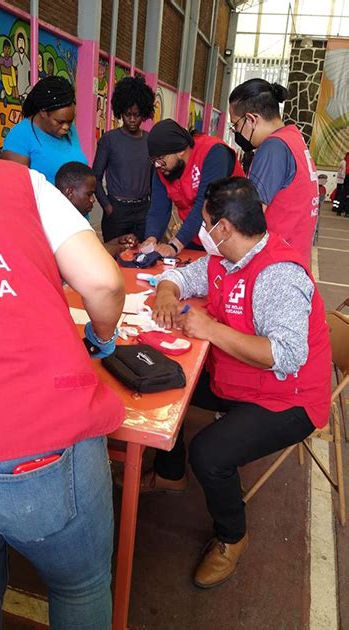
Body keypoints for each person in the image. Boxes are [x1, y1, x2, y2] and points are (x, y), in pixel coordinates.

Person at [136, 177, 331, 589]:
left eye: (205, 224)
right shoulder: (225, 260)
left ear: (223, 229)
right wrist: (168, 293)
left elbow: (286, 355)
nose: (200, 231)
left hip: (288, 399)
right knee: (170, 381)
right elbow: (181, 277)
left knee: (210, 454)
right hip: (239, 378)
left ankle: (231, 537)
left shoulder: (278, 274)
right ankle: (171, 473)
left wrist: (209, 328)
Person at [0, 155, 125, 629]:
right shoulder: (15, 183)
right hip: (38, 438)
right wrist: (102, 339)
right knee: (80, 585)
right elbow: (103, 281)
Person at [229, 78, 319, 266]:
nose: (236, 132)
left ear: (252, 119)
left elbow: (250, 214)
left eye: (236, 125)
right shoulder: (294, 137)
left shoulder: (273, 147)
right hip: (294, 257)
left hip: (275, 263)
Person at [140, 118, 244, 257]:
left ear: (180, 150)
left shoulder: (214, 153)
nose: (157, 165)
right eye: (153, 160)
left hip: (230, 238)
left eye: (160, 158)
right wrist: (151, 239)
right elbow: (158, 209)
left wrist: (175, 245)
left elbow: (206, 204)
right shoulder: (163, 168)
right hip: (194, 236)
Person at [92, 75, 155, 243]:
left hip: (143, 211)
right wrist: (108, 207)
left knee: (142, 257)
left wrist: (152, 207)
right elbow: (95, 177)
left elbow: (156, 179)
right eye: (128, 115)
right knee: (114, 259)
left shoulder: (151, 140)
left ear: (144, 113)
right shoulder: (109, 140)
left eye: (137, 115)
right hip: (116, 211)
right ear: (121, 112)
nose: (133, 120)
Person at [2, 76, 87, 183]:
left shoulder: (71, 130)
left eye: (70, 121)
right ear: (43, 112)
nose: (66, 127)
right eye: (59, 122)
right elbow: (14, 185)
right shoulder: (20, 136)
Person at [55, 161, 138, 255]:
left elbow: (94, 247)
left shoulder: (70, 216)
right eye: (89, 194)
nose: (92, 200)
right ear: (70, 192)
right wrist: (123, 247)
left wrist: (118, 241)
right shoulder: (62, 222)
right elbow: (96, 254)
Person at [333, 152, 349, 216]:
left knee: (341, 195)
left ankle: (338, 210)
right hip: (345, 179)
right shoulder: (345, 162)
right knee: (346, 196)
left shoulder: (343, 161)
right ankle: (346, 212)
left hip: (343, 179)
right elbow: (343, 171)